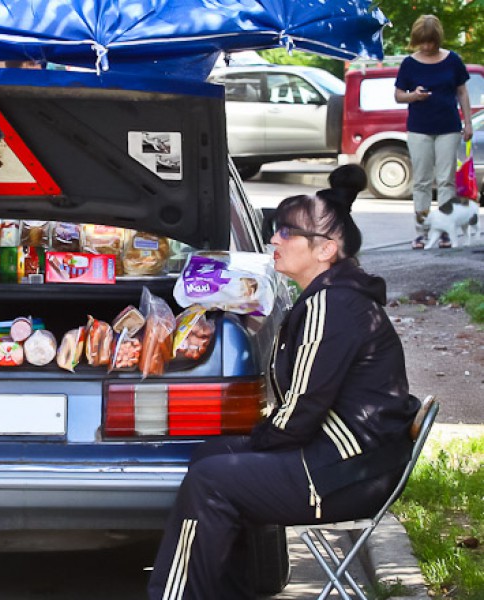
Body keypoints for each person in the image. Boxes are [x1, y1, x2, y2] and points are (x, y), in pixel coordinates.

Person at [147, 165, 421, 600]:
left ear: (325, 249)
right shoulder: (331, 297)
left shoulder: (333, 305)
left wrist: (257, 442)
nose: (274, 240)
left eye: (287, 233)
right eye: (275, 230)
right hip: (346, 462)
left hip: (346, 475)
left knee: (213, 480)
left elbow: (301, 411)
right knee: (211, 456)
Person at [394, 14, 474, 249]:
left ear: (437, 39)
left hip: (448, 127)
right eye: (423, 42)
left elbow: (462, 92)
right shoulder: (409, 63)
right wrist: (413, 96)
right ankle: (422, 230)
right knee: (421, 181)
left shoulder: (453, 60)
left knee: (446, 180)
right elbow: (398, 95)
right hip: (419, 128)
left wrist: (467, 123)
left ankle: (446, 231)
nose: (427, 47)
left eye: (431, 42)